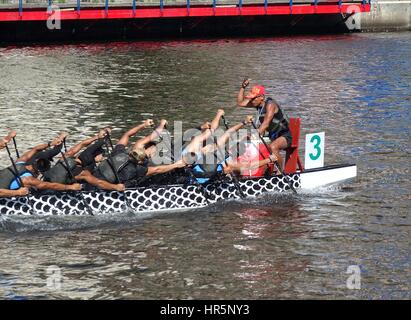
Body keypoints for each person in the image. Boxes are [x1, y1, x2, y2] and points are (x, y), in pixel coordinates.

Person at [94, 120, 188, 187]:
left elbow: (127, 135)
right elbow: (157, 170)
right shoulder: (138, 169)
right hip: (108, 185)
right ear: (140, 161)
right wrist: (176, 165)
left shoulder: (120, 152)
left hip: (96, 174)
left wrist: (144, 125)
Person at [41, 129, 125, 192]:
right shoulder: (83, 173)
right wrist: (116, 187)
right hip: (55, 191)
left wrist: (97, 137)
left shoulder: (65, 158)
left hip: (45, 183)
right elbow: (99, 183)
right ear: (95, 155)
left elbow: (82, 144)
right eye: (102, 155)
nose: (103, 158)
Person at [0, 133, 82, 195]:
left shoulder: (20, 162)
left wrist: (50, 144)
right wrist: (71, 187)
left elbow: (35, 149)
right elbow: (49, 185)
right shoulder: (28, 179)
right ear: (39, 172)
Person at [237, 79, 292, 170]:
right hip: (272, 135)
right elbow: (240, 103)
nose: (252, 100)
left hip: (285, 136)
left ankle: (280, 173)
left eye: (253, 98)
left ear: (261, 97)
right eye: (251, 98)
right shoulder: (257, 103)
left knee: (273, 147)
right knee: (244, 140)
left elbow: (265, 124)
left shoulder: (270, 105)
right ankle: (254, 171)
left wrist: (254, 136)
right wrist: (243, 87)